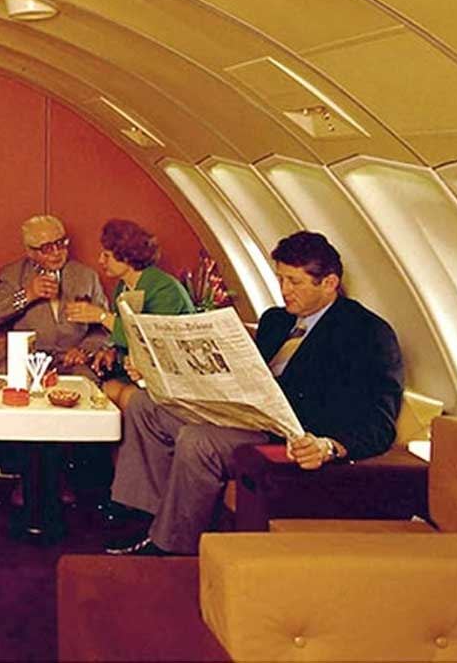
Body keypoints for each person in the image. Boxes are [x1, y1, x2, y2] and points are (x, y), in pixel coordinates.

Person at [105, 231, 404, 555]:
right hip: (239, 417)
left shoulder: (367, 333)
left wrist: (329, 446)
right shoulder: (276, 321)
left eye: (294, 281)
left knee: (197, 440)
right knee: (145, 405)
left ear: (329, 283)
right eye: (280, 279)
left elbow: (380, 421)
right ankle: (145, 516)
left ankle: (171, 546)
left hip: (285, 437)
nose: (284, 291)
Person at [64, 218, 194, 408]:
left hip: (171, 375)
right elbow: (127, 342)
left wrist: (101, 316)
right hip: (137, 372)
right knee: (99, 391)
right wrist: (110, 352)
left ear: (126, 257)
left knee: (126, 396)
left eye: (107, 255)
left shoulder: (164, 289)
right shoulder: (123, 288)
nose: (100, 260)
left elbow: (150, 340)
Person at [0, 214, 109, 375]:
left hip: (72, 361)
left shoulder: (86, 276)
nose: (56, 253)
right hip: (27, 360)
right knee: (9, 382)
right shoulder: (13, 274)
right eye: (47, 248)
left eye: (60, 244)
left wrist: (84, 350)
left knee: (88, 383)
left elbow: (103, 329)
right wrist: (28, 295)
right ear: (30, 251)